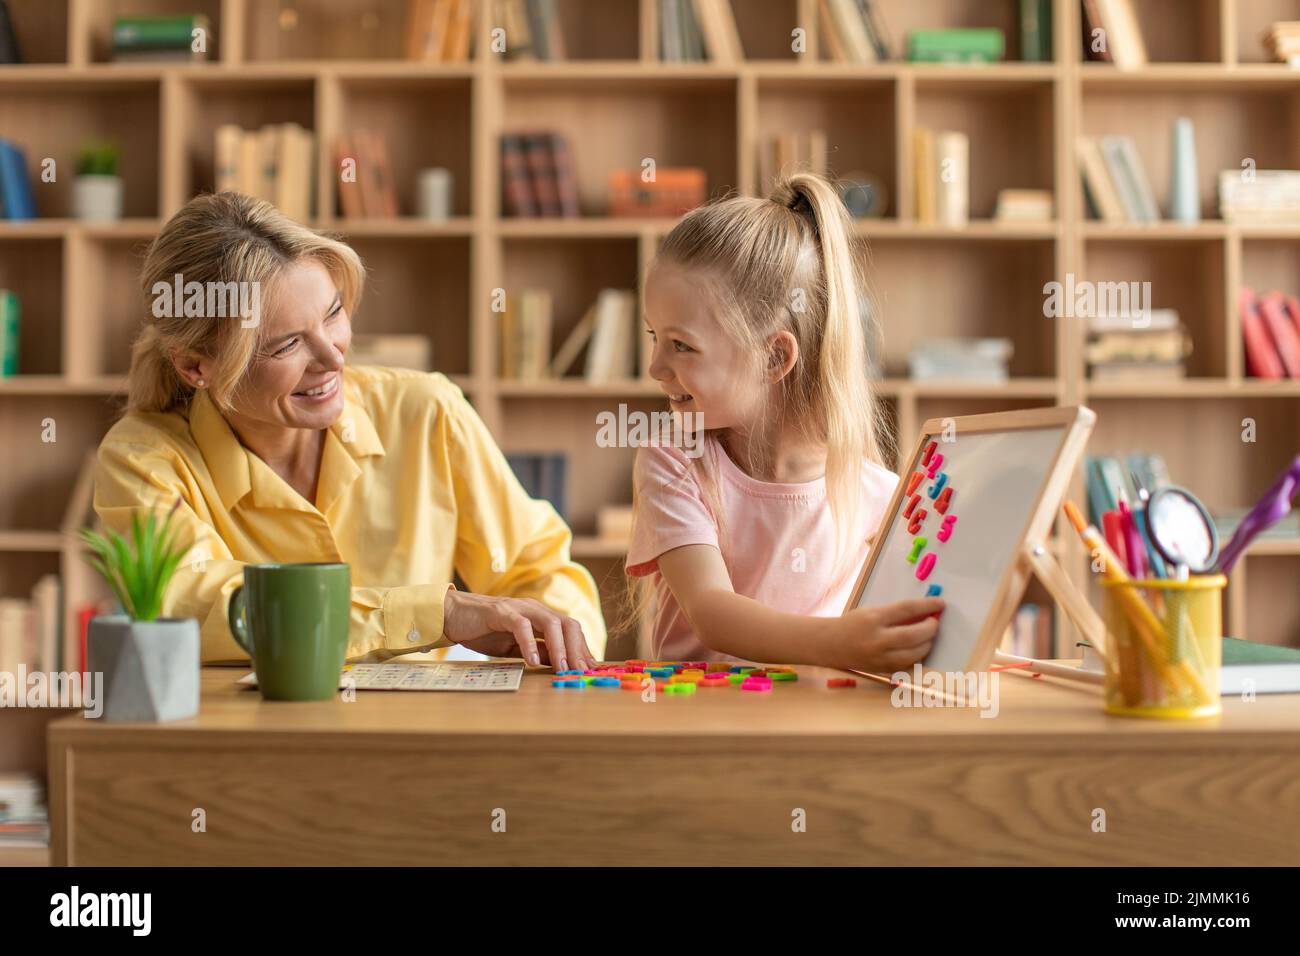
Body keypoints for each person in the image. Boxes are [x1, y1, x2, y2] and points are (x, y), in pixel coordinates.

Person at [94, 192, 604, 669]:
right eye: (287, 344)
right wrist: (436, 615)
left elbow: (538, 568)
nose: (332, 356)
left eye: (333, 313)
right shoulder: (143, 458)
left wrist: (553, 645)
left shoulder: (426, 411)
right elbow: (196, 602)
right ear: (195, 368)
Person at [626, 173, 943, 669]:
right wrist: (843, 643)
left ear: (774, 358)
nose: (655, 368)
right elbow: (713, 614)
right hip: (694, 729)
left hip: (815, 730)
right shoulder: (673, 459)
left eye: (681, 345)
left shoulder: (873, 492)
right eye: (654, 337)